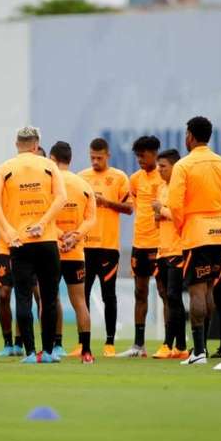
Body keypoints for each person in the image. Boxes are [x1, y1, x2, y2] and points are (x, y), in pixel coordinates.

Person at [0, 126, 66, 363]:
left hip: (19, 242)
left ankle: (31, 353)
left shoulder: (4, 168)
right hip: (46, 240)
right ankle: (50, 351)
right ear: (36, 145)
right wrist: (43, 223)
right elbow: (62, 198)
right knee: (49, 298)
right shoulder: (49, 166)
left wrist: (8, 230)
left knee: (22, 297)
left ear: (16, 144)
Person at [168, 117, 221, 366]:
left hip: (196, 233)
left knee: (197, 290)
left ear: (190, 136)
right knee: (208, 288)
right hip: (220, 232)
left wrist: (181, 227)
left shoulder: (184, 165)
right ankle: (203, 348)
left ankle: (198, 351)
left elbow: (175, 204)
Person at [78, 138, 132, 357]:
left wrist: (106, 203)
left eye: (99, 157)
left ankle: (109, 343)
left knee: (108, 295)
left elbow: (129, 208)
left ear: (108, 155)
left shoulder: (119, 177)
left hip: (108, 246)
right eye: (92, 157)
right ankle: (83, 343)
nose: (95, 161)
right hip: (85, 245)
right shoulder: (82, 177)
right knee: (82, 294)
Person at [49, 141, 97, 364]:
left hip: (53, 250)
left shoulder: (49, 183)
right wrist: (75, 236)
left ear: (51, 158)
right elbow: (91, 219)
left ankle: (51, 348)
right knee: (80, 302)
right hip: (76, 252)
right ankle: (86, 351)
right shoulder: (83, 184)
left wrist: (60, 236)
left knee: (49, 300)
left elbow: (44, 215)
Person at [119, 136, 163, 358]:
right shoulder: (135, 179)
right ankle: (139, 345)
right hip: (140, 243)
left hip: (161, 243)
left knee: (166, 293)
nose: (139, 160)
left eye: (143, 156)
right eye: (137, 156)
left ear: (155, 153)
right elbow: (135, 207)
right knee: (140, 292)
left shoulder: (165, 176)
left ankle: (170, 343)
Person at [151, 149, 189, 359]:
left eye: (163, 166)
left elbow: (179, 217)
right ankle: (179, 347)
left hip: (177, 249)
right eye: (158, 166)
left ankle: (173, 344)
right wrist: (158, 214)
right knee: (167, 298)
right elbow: (160, 221)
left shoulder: (179, 188)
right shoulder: (161, 187)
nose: (159, 170)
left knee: (174, 297)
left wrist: (162, 210)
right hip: (162, 249)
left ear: (175, 166)